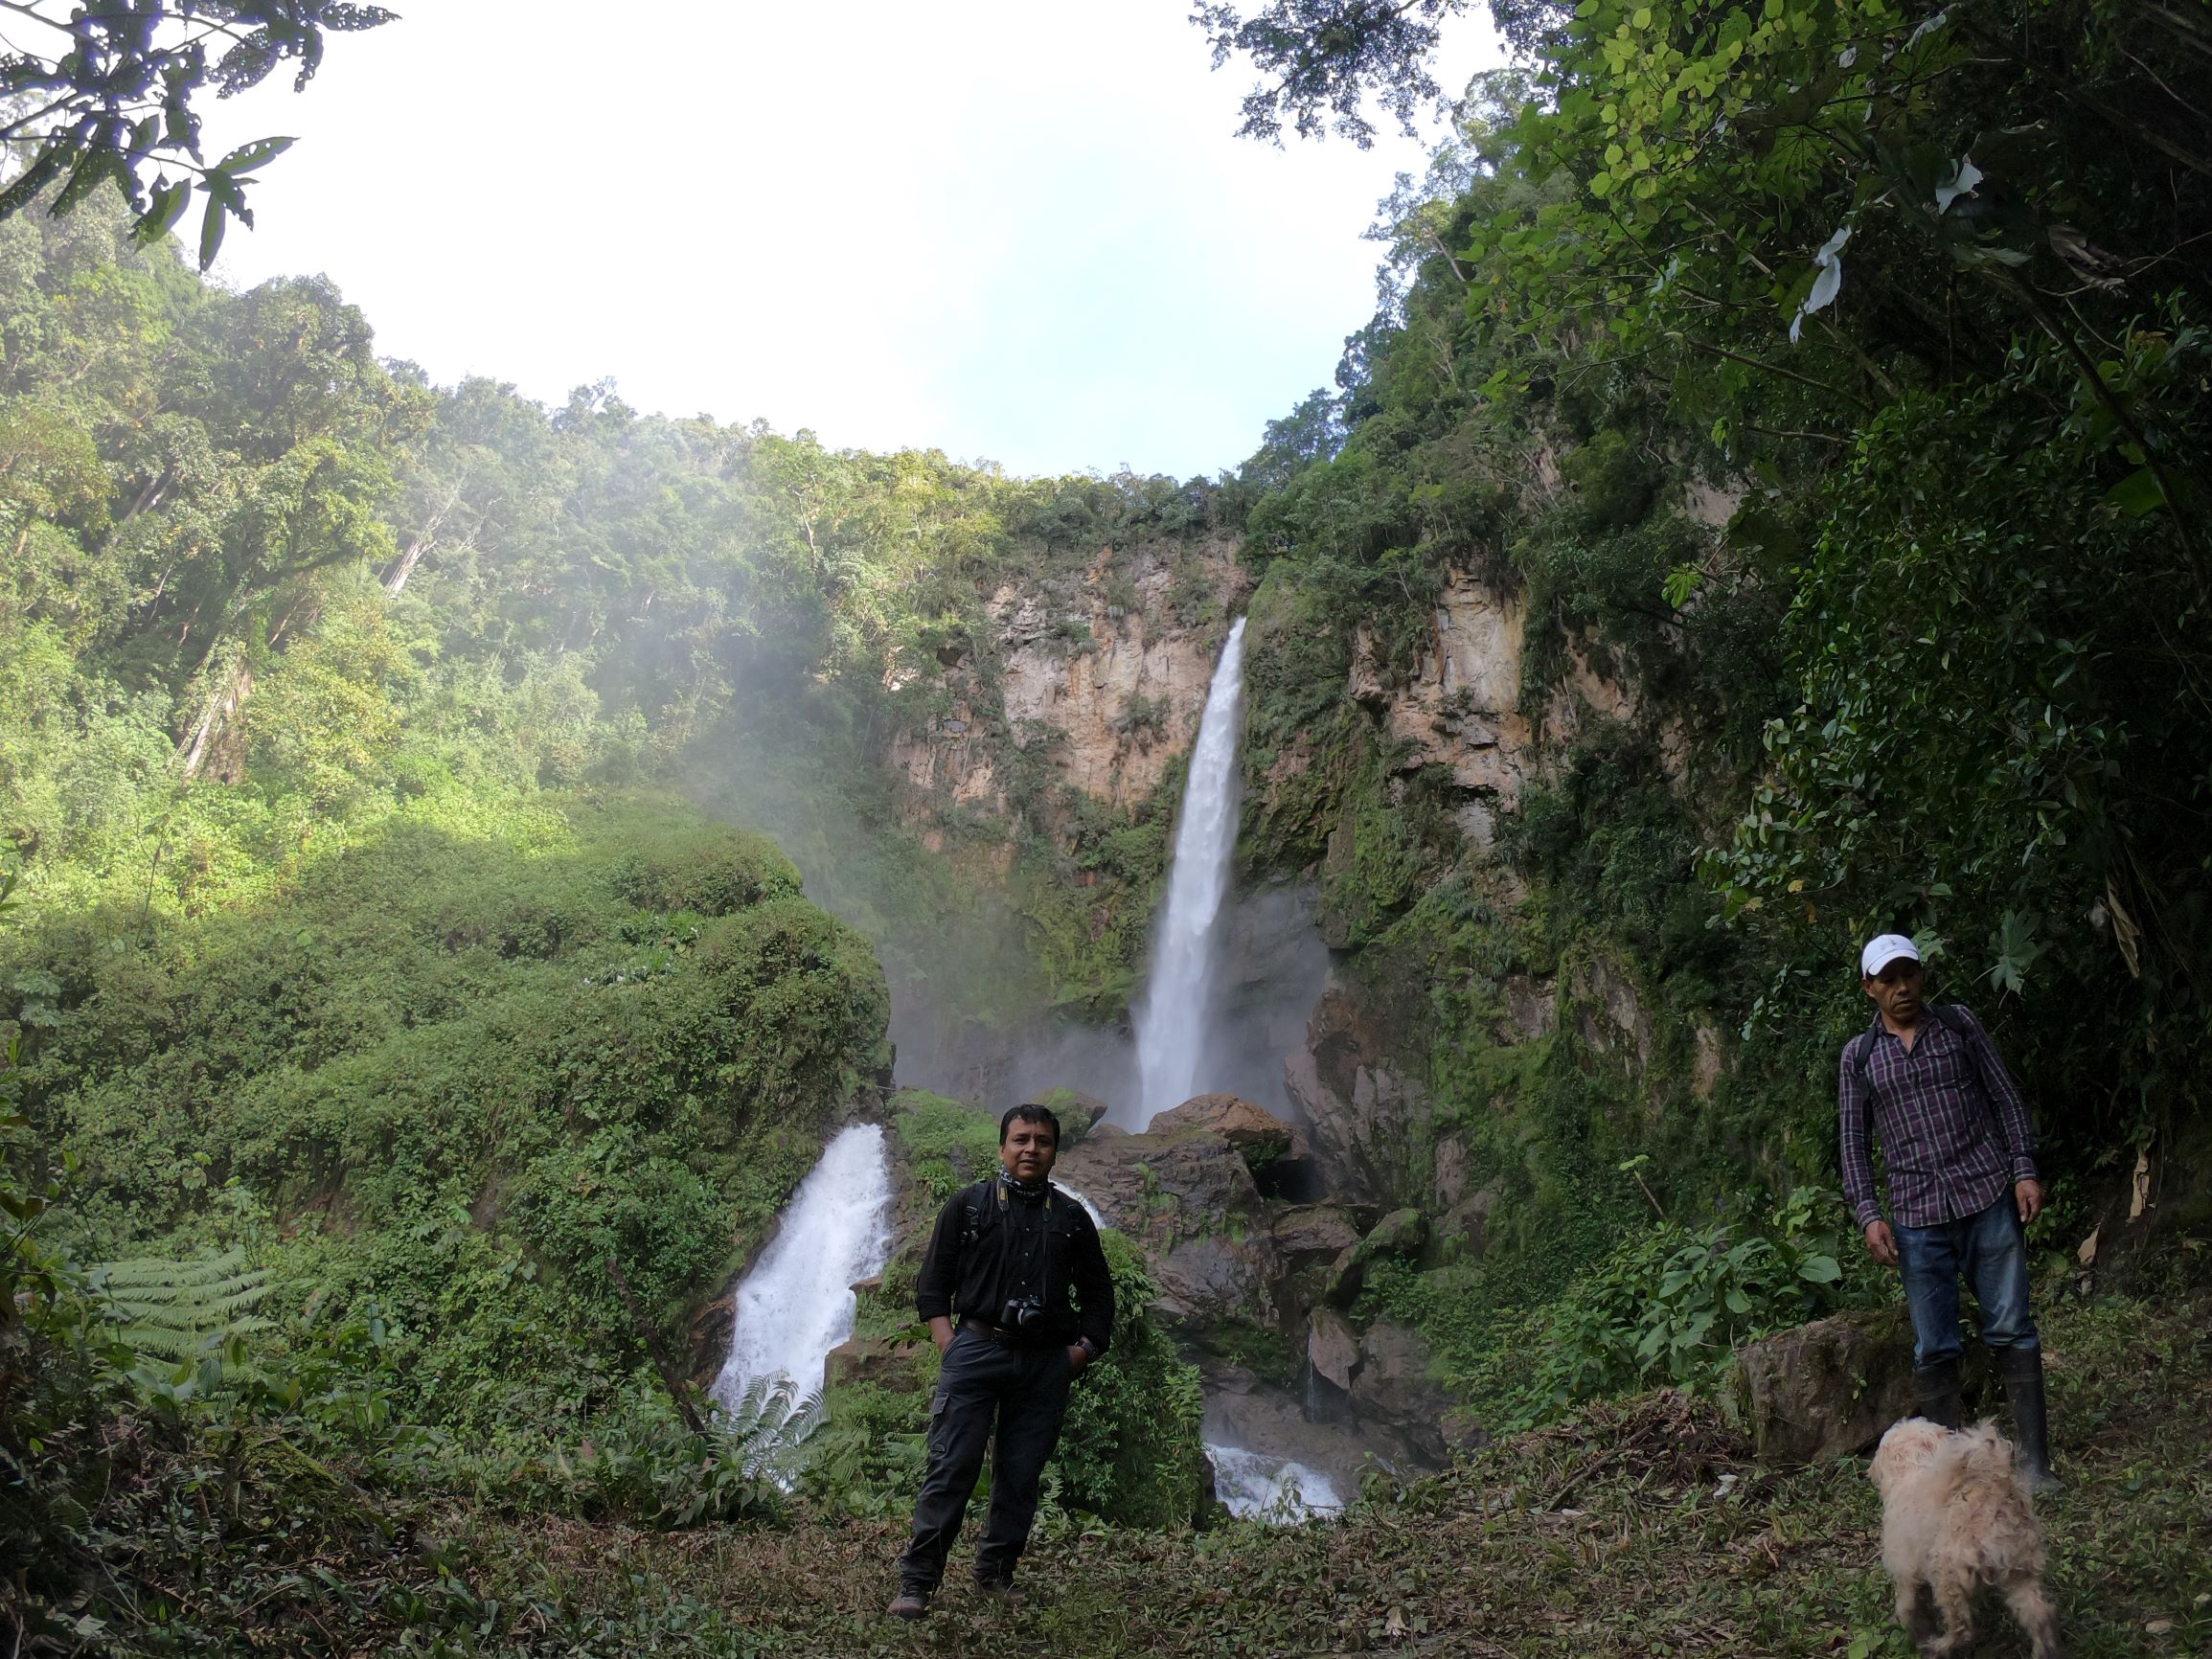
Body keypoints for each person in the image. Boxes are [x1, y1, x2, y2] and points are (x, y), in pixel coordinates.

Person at [1840, 933, 2059, 1489]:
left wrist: (2024, 1168)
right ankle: (1954, 1477)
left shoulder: (1959, 1027)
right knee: (1935, 1345)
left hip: (1986, 1195)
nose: (1901, 988)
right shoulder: (1860, 1057)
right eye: (1887, 980)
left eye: (1908, 974)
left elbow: (2004, 1097)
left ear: (1922, 975)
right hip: (1916, 1216)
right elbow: (1853, 1144)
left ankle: (2035, 1468)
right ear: (1869, 989)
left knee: (2012, 1326)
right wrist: (1869, 1214)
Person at [888, 1102, 1113, 1619]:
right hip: (975, 1351)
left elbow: (1100, 1295)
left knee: (1020, 1475)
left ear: (1055, 1152)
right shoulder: (968, 1206)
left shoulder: (1074, 1219)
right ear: (1003, 1147)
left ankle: (995, 1575)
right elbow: (933, 1285)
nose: (1031, 1148)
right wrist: (951, 1343)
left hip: (1044, 1364)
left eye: (1042, 1141)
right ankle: (917, 1584)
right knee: (952, 1468)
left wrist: (1081, 1352)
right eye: (1021, 1139)